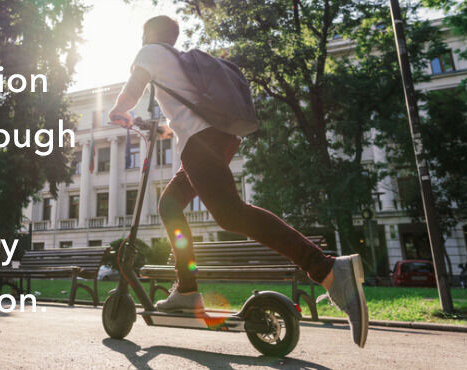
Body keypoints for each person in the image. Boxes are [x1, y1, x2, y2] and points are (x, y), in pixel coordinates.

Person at [109, 15, 369, 348]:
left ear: (147, 35)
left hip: (201, 145)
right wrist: (163, 130)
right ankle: (187, 291)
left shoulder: (149, 53)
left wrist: (118, 110)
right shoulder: (175, 62)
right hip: (218, 139)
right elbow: (190, 112)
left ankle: (327, 270)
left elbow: (131, 90)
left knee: (230, 215)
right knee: (170, 204)